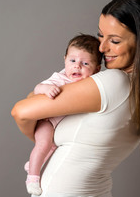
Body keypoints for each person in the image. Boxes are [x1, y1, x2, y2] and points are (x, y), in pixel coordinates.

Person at [12, 0, 140, 197]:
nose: (102, 48)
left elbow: (21, 111)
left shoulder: (114, 82)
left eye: (114, 40)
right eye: (100, 36)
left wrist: (44, 141)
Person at [25, 34, 102, 195]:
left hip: (63, 125)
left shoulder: (92, 84)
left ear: (97, 68)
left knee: (53, 148)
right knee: (44, 145)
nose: (77, 67)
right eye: (72, 61)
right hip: (48, 121)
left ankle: (34, 163)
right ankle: (32, 177)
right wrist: (46, 89)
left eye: (85, 63)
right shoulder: (60, 78)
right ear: (65, 59)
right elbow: (37, 88)